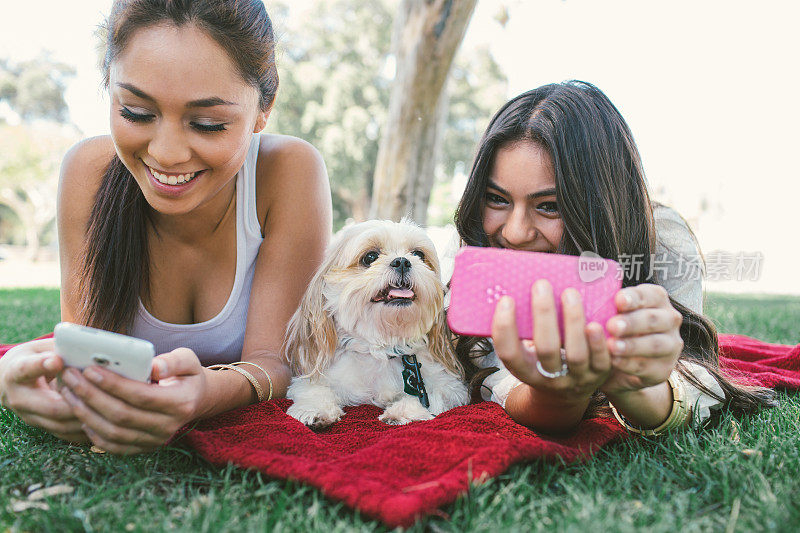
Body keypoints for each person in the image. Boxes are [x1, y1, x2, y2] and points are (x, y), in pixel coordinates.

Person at [0, 0, 332, 454]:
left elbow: (275, 362)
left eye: (208, 124)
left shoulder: (288, 172)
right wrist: (20, 379)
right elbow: (82, 350)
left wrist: (209, 393)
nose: (168, 153)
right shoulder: (87, 172)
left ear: (263, 108)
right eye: (136, 112)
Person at [452, 81, 774, 434]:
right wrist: (558, 397)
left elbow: (687, 369)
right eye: (497, 199)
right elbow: (495, 380)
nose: (514, 233)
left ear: (600, 207)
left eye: (549, 206)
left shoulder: (661, 237)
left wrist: (635, 389)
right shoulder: (476, 254)